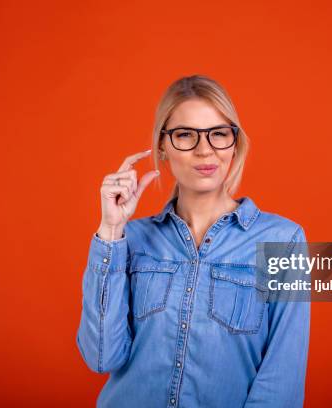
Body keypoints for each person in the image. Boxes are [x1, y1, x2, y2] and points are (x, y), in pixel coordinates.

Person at [76, 75, 311, 407]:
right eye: (185, 135)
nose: (205, 150)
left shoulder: (284, 241)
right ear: (163, 145)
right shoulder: (131, 240)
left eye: (218, 134)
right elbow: (101, 357)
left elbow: (282, 380)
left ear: (235, 143)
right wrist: (110, 231)